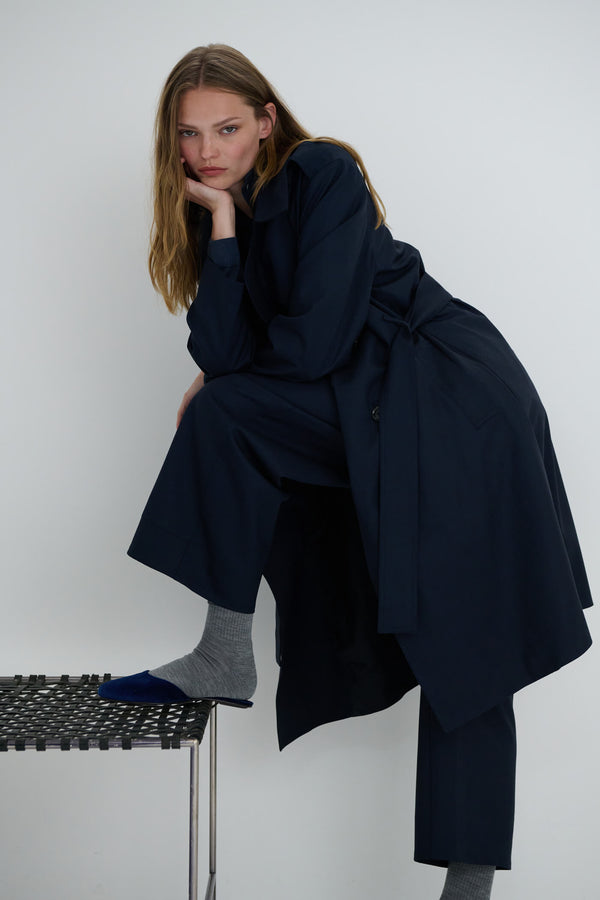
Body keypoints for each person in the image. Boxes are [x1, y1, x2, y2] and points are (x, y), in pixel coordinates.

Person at [98, 43, 594, 899]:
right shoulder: (230, 216)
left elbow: (314, 343)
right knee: (222, 415)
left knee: (464, 636)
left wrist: (230, 370)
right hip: (368, 411)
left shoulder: (323, 173)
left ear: (266, 121)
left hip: (448, 402)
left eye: (226, 126)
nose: (209, 149)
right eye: (190, 135)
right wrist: (218, 224)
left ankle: (467, 892)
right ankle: (225, 656)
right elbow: (225, 352)